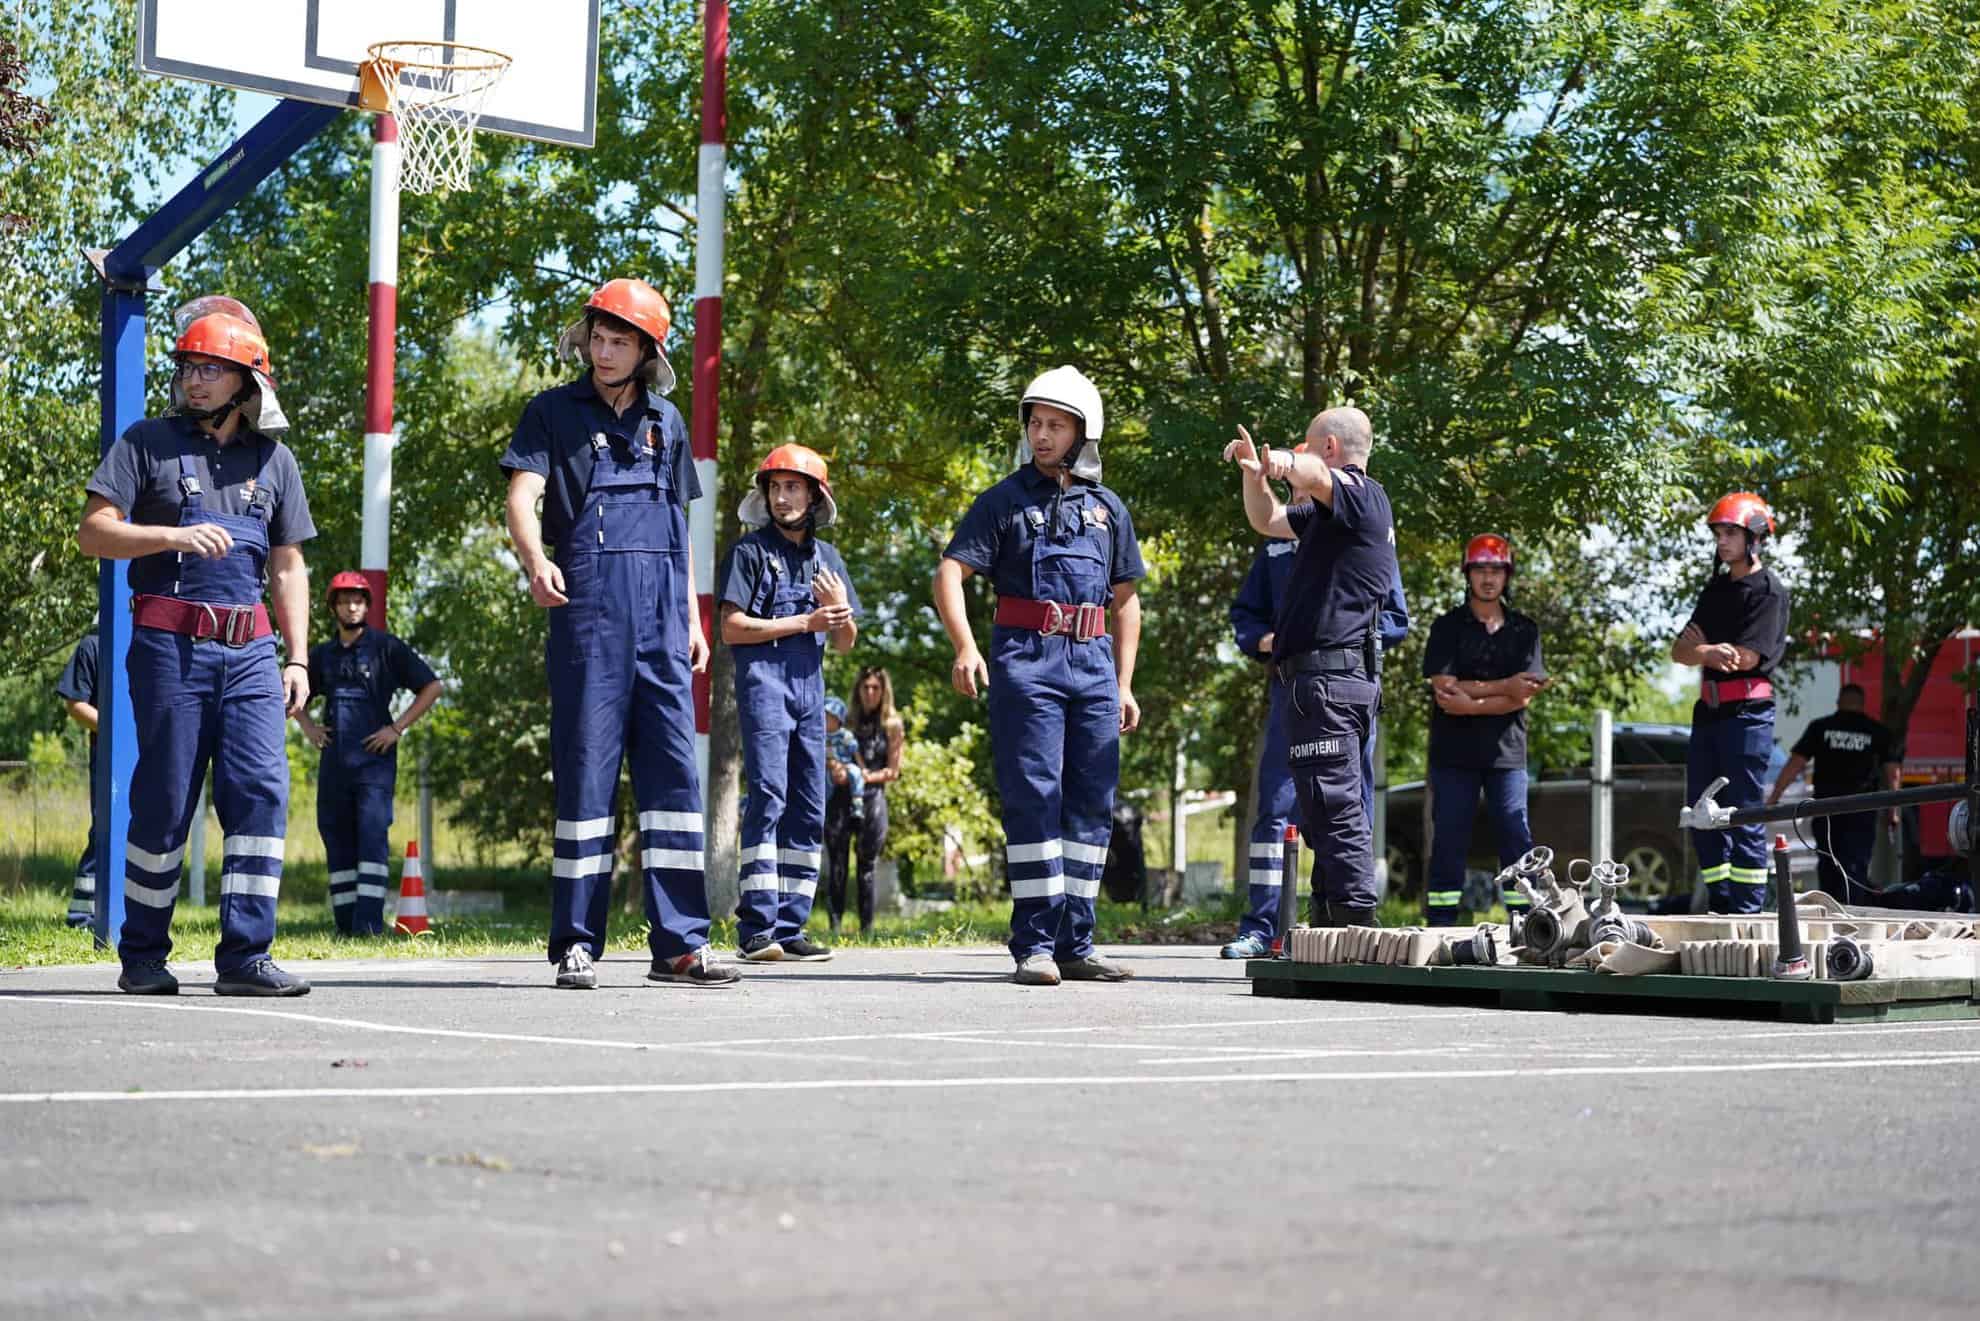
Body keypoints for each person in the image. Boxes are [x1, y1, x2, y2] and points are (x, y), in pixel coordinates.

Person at [502, 277, 737, 989]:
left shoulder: (668, 424)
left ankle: (681, 945)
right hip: (589, 620)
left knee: (673, 782)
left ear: (645, 353)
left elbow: (679, 524)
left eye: (618, 342)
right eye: (596, 339)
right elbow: (521, 496)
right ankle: (576, 940)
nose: (602, 351)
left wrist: (694, 617)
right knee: (588, 776)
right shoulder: (551, 413)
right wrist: (535, 558)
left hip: (663, 621)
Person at [76, 300, 314, 995]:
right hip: (169, 650)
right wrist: (171, 537)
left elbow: (290, 565)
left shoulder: (275, 461)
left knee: (262, 795)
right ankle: (143, 954)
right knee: (165, 799)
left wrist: (297, 657)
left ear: (246, 383)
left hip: (251, 658)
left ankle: (246, 956)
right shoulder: (146, 442)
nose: (195, 380)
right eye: (188, 367)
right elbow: (94, 532)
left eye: (211, 369)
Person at [934, 367, 1144, 986]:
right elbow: (950, 573)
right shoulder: (1003, 501)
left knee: (1093, 804)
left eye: (1055, 425)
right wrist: (966, 647)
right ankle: (1035, 945)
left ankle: (1077, 942)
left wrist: (1126, 683)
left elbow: (1126, 600)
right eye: (1034, 422)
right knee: (1035, 799)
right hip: (1027, 663)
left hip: (1096, 669)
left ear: (1084, 434)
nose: (1041, 434)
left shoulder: (1109, 509)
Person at [1221, 456, 1408, 959]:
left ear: (1329, 446)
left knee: (1334, 803)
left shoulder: (1361, 495)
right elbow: (1268, 521)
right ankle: (1315, 924)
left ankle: (1356, 930)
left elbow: (1317, 476)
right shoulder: (1322, 521)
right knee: (1320, 807)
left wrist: (1281, 461)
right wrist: (1255, 476)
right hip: (1308, 682)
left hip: (1334, 679)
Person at [719, 444, 858, 962]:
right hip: (765, 685)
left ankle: (790, 925)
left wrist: (838, 611)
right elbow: (731, 627)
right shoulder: (750, 553)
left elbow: (846, 642)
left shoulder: (829, 561)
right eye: (775, 488)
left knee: (809, 803)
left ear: (815, 496)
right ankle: (756, 928)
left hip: (810, 688)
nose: (782, 497)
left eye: (792, 487)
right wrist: (806, 621)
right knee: (770, 797)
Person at [294, 572, 443, 935]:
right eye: (344, 601)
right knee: (336, 834)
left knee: (373, 835)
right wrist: (308, 726)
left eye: (358, 600)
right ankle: (345, 925)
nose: (352, 606)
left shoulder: (386, 648)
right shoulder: (322, 655)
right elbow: (292, 694)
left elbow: (432, 686)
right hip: (334, 761)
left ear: (367, 605)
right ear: (334, 607)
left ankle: (369, 925)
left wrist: (396, 729)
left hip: (374, 764)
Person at [1419, 535, 1547, 925]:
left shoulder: (1525, 630)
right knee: (1449, 839)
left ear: (1507, 576)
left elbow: (1523, 696)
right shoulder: (1446, 627)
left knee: (1514, 832)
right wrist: (1503, 687)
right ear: (1468, 574)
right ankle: (1440, 925)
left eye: (1496, 570)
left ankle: (1526, 925)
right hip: (1452, 755)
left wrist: (1470, 701)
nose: (1488, 578)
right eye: (1480, 570)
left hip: (1505, 753)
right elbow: (1444, 688)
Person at [1672, 492, 1790, 914]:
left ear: (1754, 536)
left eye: (1730, 533)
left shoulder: (1768, 592)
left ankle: (1747, 910)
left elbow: (1745, 658)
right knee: (1700, 811)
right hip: (1707, 712)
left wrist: (1707, 651)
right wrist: (1707, 653)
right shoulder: (1715, 589)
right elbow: (1679, 652)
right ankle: (1720, 905)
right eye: (1719, 534)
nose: (1722, 542)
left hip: (1748, 716)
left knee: (1744, 813)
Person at [1768, 683, 1902, 903]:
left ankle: (1829, 908)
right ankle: (1852, 910)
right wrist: (1893, 811)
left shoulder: (1821, 727)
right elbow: (1892, 773)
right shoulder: (1877, 731)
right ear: (1862, 704)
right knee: (1856, 863)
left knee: (1828, 860)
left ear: (1839, 702)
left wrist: (1774, 797)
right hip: (1861, 809)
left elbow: (1796, 763)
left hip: (1825, 809)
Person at [823, 666, 904, 937]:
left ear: (884, 691)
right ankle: (834, 925)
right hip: (840, 798)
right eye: (865, 687)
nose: (870, 693)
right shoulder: (845, 723)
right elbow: (828, 752)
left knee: (866, 865)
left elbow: (893, 771)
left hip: (872, 798)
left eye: (876, 688)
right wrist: (835, 769)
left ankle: (866, 929)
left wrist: (864, 776)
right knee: (837, 861)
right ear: (858, 690)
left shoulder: (892, 725)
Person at [54, 630, 100, 928]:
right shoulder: (94, 646)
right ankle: (82, 917)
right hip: (110, 757)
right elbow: (75, 704)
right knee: (105, 834)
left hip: (155, 753)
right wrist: (117, 729)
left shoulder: (160, 641)